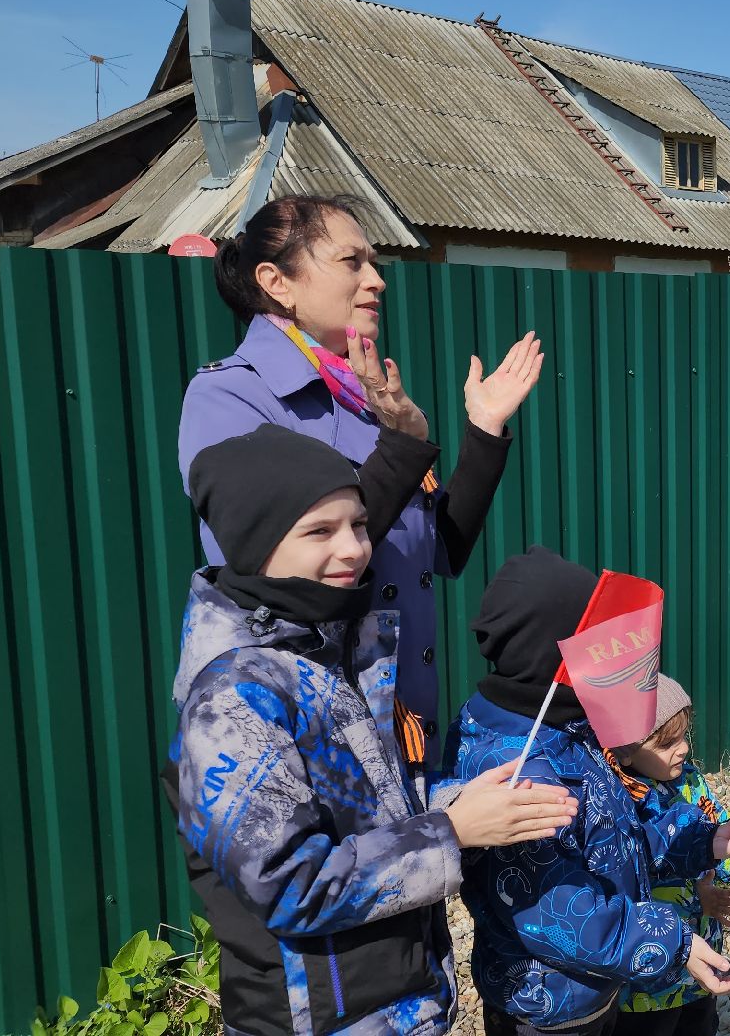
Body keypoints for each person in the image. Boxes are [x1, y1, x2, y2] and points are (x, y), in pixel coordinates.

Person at [168, 421, 579, 1034]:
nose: (354, 549)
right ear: (255, 545)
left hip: (393, 999)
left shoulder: (333, 647)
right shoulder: (234, 701)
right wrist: (451, 831)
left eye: (359, 524)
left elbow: (367, 810)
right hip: (319, 1015)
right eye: (320, 531)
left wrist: (463, 801)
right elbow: (291, 886)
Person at [180, 193, 544, 766]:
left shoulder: (358, 395)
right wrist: (402, 441)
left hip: (400, 719)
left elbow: (440, 552)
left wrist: (484, 429)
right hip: (312, 727)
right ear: (277, 281)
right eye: (352, 262)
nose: (376, 279)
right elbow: (296, 565)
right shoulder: (230, 397)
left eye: (374, 262)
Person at [452, 548, 730, 1035]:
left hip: (594, 985)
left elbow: (616, 830)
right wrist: (673, 943)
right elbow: (558, 910)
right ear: (555, 653)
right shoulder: (517, 767)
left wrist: (701, 841)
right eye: (595, 640)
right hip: (546, 1005)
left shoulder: (568, 727)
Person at [609, 677, 730, 1035]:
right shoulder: (617, 800)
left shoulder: (690, 782)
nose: (682, 749)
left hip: (703, 955)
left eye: (684, 736)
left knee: (698, 1024)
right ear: (624, 749)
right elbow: (629, 871)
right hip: (647, 976)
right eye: (667, 742)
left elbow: (714, 836)